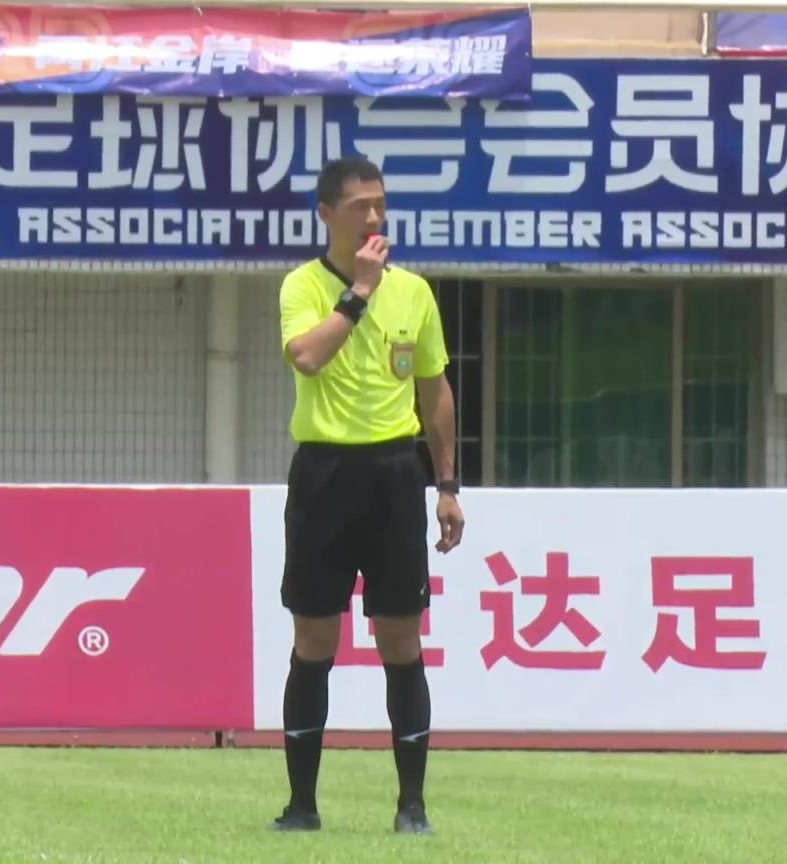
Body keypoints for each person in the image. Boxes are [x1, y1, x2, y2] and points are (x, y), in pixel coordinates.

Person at [271, 156, 466, 836]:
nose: (375, 217)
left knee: (401, 639)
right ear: (327, 214)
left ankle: (412, 806)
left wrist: (446, 484)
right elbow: (307, 356)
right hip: (323, 473)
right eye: (360, 207)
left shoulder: (413, 292)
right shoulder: (302, 285)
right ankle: (302, 806)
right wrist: (357, 291)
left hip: (393, 474)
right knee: (314, 638)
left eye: (381, 204)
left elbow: (433, 389)